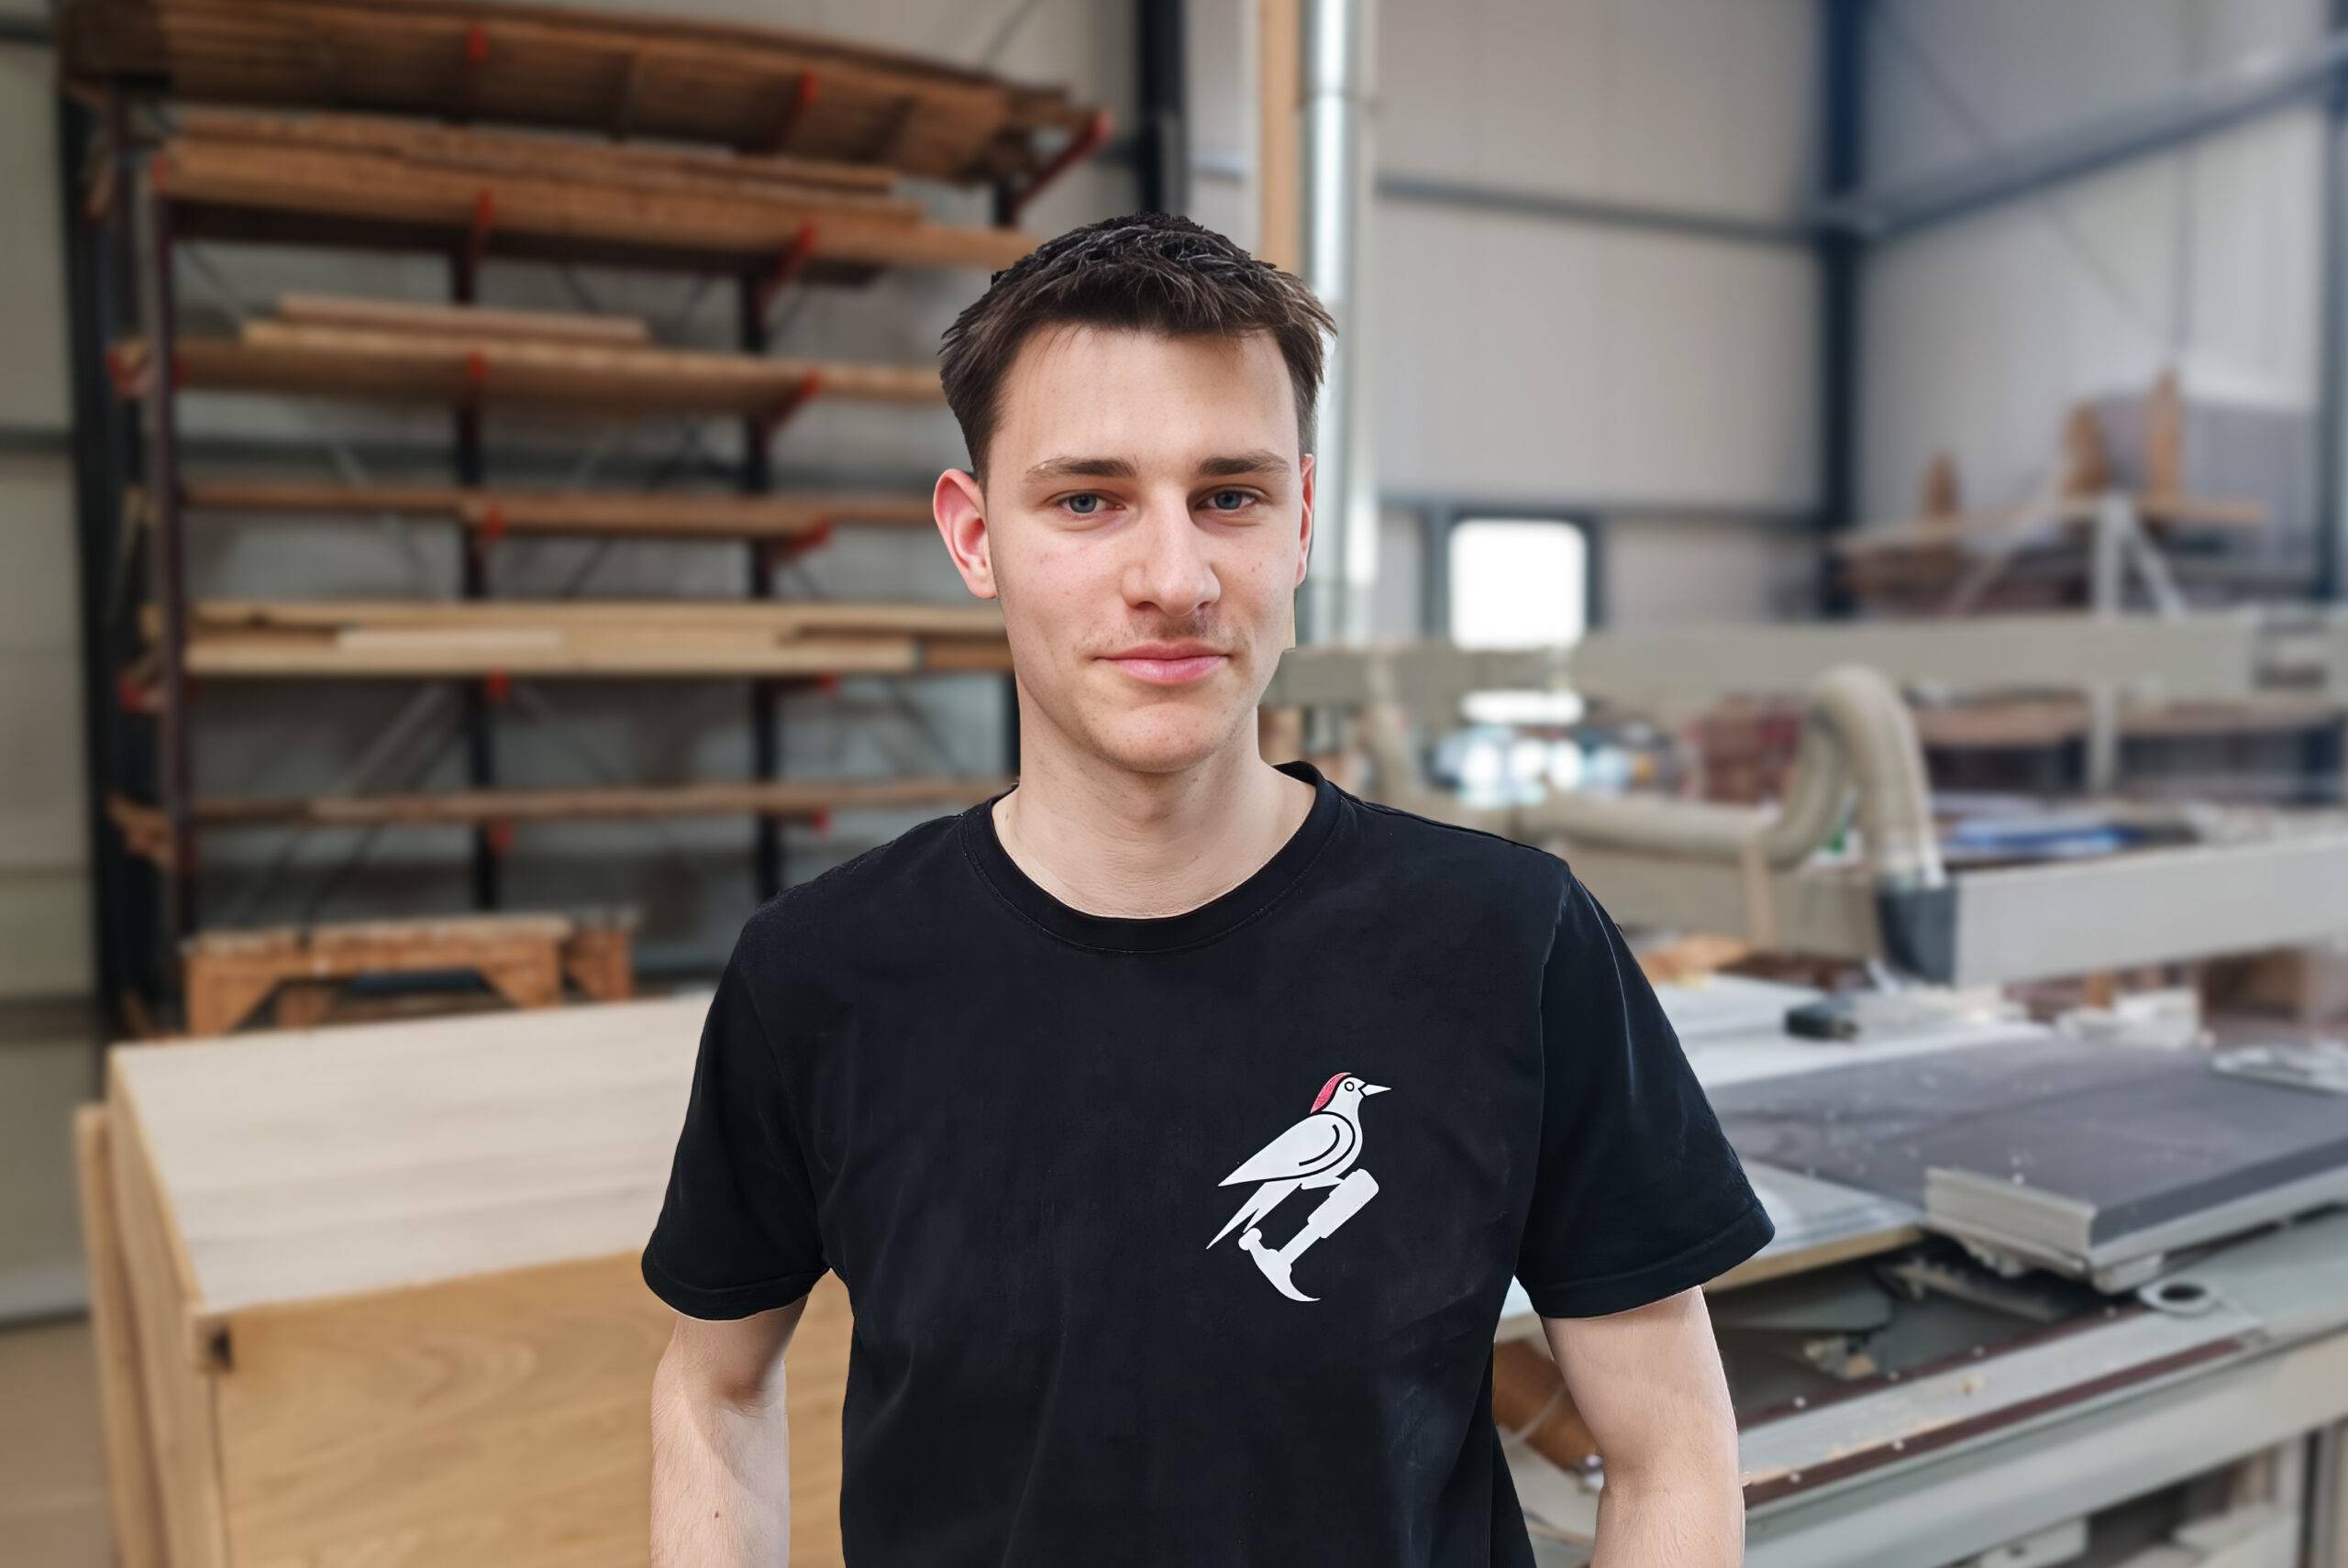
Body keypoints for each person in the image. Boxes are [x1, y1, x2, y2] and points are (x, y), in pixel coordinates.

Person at [642, 211, 1773, 1566]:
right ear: (974, 536)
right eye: (1087, 499)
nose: (1173, 579)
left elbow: (1671, 1457)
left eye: (1230, 496)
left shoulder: (1511, 941)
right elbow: (714, 1386)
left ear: (1300, 523)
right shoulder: (821, 974)